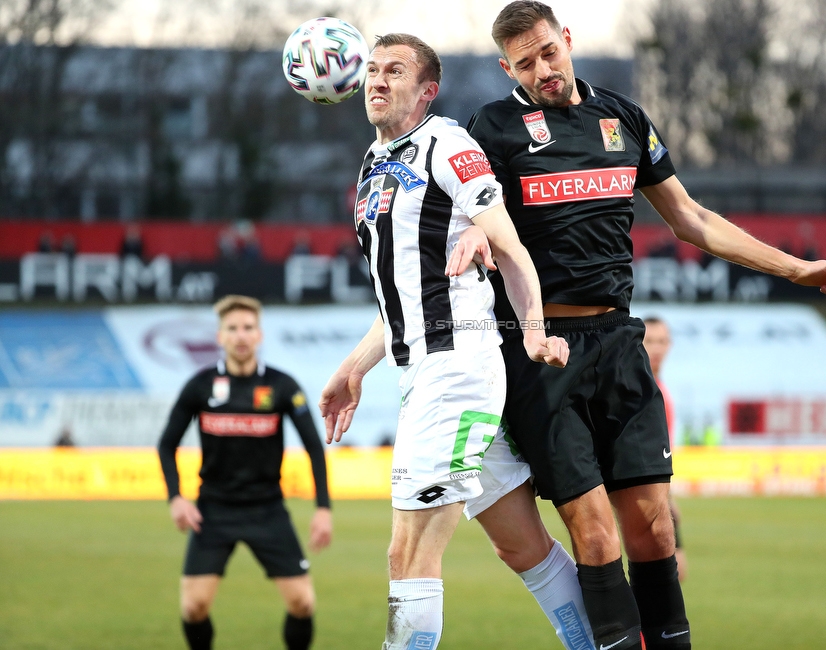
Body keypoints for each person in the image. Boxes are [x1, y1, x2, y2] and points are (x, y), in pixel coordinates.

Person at [465, 3, 826, 649]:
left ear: (567, 40)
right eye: (525, 63)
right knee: (594, 534)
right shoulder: (493, 128)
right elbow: (476, 221)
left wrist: (795, 269)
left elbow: (691, 219)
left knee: (655, 533)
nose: (543, 70)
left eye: (548, 52)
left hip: (619, 343)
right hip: (543, 352)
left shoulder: (623, 118)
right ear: (508, 67)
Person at [318, 33, 595, 650]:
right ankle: (606, 643)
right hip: (423, 370)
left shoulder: (446, 143)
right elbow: (401, 295)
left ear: (427, 91)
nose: (378, 80)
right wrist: (356, 366)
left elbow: (510, 247)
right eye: (372, 70)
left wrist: (534, 332)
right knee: (520, 544)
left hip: (456, 369)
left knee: (407, 552)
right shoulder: (372, 165)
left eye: (395, 71)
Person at [158, 295, 332, 650]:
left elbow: (315, 447)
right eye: (233, 328)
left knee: (303, 603)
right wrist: (175, 497)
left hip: (267, 509)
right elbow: (166, 444)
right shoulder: (200, 386)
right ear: (220, 336)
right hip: (213, 510)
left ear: (260, 335)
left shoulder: (283, 386)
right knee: (194, 607)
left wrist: (323, 508)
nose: (241, 335)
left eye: (248, 328)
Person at [641, 317, 686, 582]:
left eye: (662, 341)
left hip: (657, 492)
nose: (657, 348)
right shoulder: (638, 387)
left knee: (670, 576)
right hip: (642, 496)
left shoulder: (660, 388)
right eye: (650, 341)